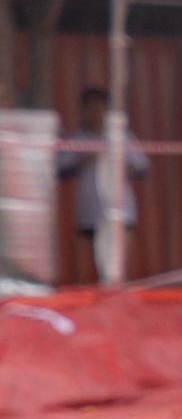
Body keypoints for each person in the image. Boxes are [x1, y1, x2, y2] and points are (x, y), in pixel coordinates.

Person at [53, 86, 149, 282]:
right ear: (83, 110)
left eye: (100, 107)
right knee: (87, 271)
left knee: (117, 269)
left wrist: (120, 165)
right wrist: (84, 160)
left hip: (120, 212)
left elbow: (142, 168)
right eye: (90, 107)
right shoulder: (77, 139)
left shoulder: (123, 137)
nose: (96, 112)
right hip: (88, 214)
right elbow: (60, 171)